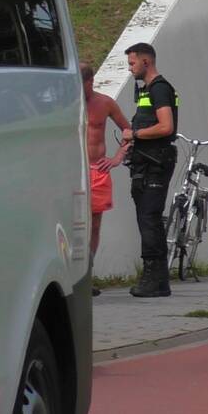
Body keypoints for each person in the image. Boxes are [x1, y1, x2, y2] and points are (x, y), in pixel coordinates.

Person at [121, 42, 179, 298]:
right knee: (147, 219)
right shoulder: (147, 90)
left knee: (149, 219)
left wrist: (135, 133)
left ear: (146, 61)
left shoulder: (160, 89)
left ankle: (154, 279)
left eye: (132, 63)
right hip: (146, 163)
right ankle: (157, 280)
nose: (130, 68)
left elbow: (166, 127)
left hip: (156, 163)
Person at [81, 62, 130, 297]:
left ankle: (87, 275)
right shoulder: (66, 102)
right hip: (73, 171)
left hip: (97, 171)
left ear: (91, 81)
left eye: (82, 84)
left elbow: (128, 131)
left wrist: (117, 157)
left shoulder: (105, 103)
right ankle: (74, 276)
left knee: (95, 224)